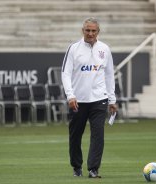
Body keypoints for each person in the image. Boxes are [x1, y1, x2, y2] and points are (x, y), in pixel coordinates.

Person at [61, 17, 117, 178]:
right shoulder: (73, 48)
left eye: (93, 31)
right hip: (78, 101)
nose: (90, 33)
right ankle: (76, 167)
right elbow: (65, 73)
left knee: (98, 135)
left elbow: (109, 75)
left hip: (99, 99)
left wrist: (112, 99)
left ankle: (93, 169)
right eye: (87, 30)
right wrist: (70, 95)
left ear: (98, 32)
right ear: (82, 30)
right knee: (75, 134)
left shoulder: (105, 49)